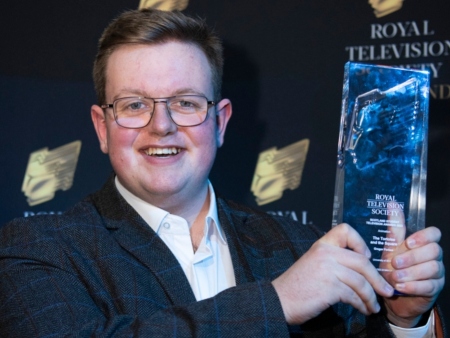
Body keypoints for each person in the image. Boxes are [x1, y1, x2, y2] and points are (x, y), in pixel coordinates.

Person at [0, 8, 445, 337]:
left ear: (221, 122)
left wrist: (405, 320)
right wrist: (278, 300)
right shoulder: (39, 251)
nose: (162, 125)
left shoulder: (301, 247)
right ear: (102, 127)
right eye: (135, 105)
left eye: (186, 103)